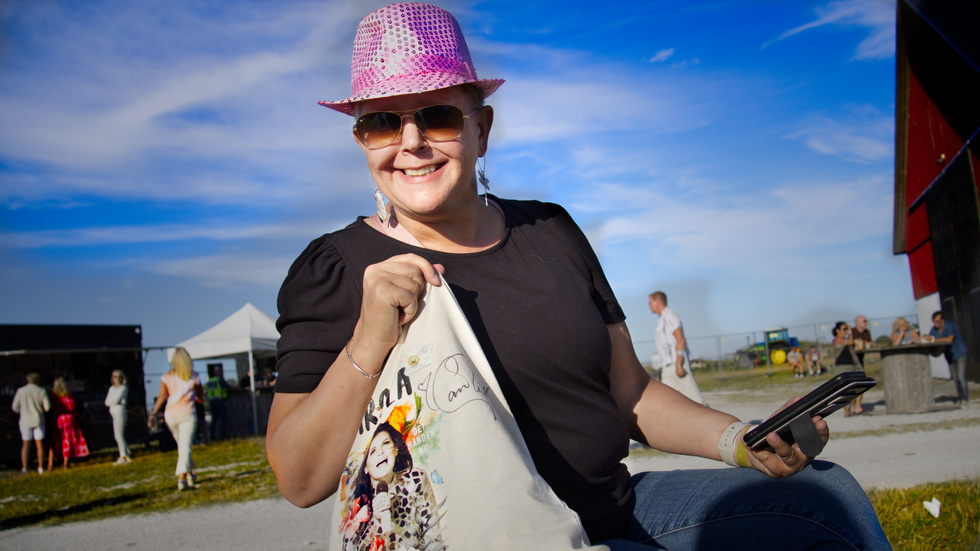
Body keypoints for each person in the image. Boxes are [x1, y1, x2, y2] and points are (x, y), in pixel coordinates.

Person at [266, 4, 889, 549]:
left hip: (618, 511)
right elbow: (299, 480)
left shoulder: (551, 230)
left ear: (481, 129)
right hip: (491, 538)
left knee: (825, 502)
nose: (411, 142)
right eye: (382, 122)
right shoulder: (336, 269)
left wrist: (740, 440)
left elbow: (631, 393)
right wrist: (366, 345)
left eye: (437, 116)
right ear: (362, 142)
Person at [342, 422, 445, 549]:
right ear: (365, 468)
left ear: (396, 449)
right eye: (373, 451)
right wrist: (376, 521)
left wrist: (395, 528)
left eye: (386, 443)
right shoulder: (356, 504)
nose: (380, 452)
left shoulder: (415, 480)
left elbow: (433, 538)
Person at [149, 347, 204, 491]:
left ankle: (190, 474)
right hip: (187, 415)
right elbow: (200, 393)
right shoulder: (193, 376)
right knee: (185, 446)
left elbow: (162, 396)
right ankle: (182, 478)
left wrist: (154, 412)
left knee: (182, 446)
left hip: (171, 415)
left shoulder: (167, 377)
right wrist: (199, 399)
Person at [648, 292, 706, 405]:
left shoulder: (669, 315)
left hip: (677, 363)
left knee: (697, 401)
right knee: (667, 400)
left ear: (657, 302)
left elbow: (680, 339)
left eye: (650, 303)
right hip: (667, 366)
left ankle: (712, 421)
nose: (649, 306)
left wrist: (679, 365)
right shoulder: (661, 319)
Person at [12, 372, 51, 474]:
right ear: (38, 380)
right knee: (39, 444)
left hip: (25, 421)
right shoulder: (41, 390)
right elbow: (47, 407)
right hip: (38, 420)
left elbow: (15, 407)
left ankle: (25, 467)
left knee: (26, 444)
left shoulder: (21, 391)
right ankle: (41, 467)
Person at [929, 310, 969, 404]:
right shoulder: (934, 329)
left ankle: (965, 398)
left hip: (959, 353)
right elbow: (930, 338)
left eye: (937, 321)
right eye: (934, 321)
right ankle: (960, 396)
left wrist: (935, 340)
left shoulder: (950, 326)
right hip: (949, 355)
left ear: (943, 320)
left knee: (961, 376)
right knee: (955, 378)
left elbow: (949, 339)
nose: (935, 323)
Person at [51, 377, 90, 469]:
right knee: (68, 440)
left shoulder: (53, 397)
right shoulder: (68, 395)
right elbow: (73, 408)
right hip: (69, 419)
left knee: (58, 440)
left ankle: (53, 461)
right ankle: (66, 462)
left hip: (58, 420)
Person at [105, 369, 132, 465]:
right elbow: (107, 402)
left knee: (118, 435)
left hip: (120, 412)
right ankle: (127, 454)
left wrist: (114, 401)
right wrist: (114, 401)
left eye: (118, 376)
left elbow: (116, 400)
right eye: (114, 376)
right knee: (118, 434)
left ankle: (123, 455)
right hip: (113, 412)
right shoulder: (111, 389)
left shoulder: (123, 388)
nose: (116, 379)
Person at [205, 365, 230, 442]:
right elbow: (228, 387)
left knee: (214, 419)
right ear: (218, 372)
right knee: (222, 418)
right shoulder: (219, 379)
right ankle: (223, 436)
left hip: (212, 401)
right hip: (219, 401)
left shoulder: (210, 381)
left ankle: (212, 436)